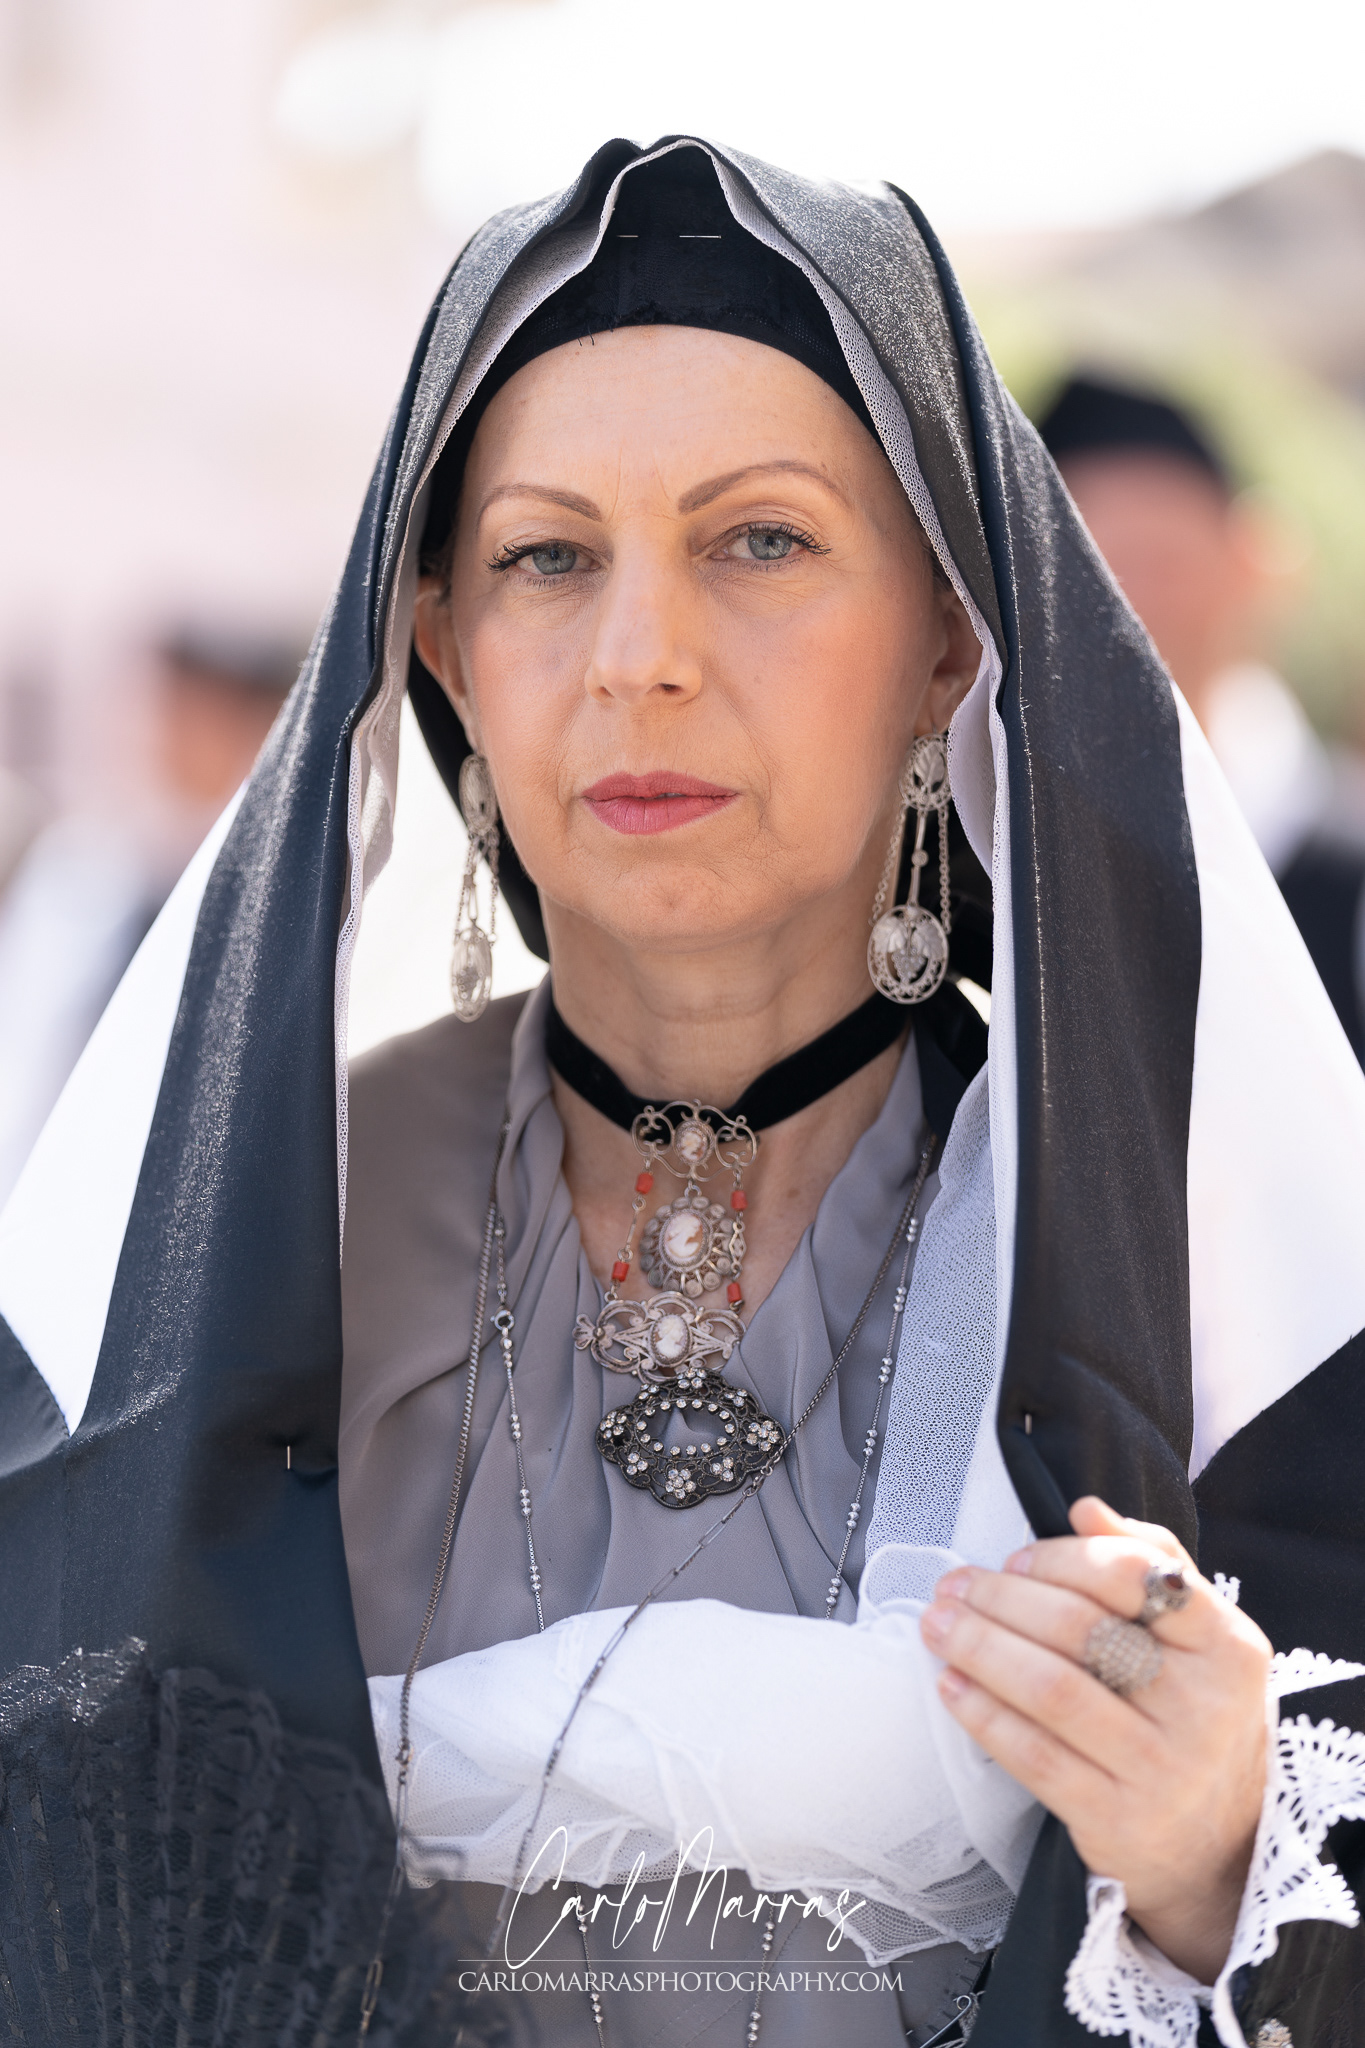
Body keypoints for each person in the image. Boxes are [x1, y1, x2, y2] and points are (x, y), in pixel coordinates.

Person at [2, 140, 1364, 2048]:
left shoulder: (1211, 1275)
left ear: (949, 640)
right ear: (443, 649)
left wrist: (1224, 1870)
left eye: (760, 541)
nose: (640, 659)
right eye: (547, 557)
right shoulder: (230, 1255)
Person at [1037, 374, 1365, 1063]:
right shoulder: (988, 867)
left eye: (1161, 564)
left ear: (1255, 564)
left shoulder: (1341, 858)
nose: (1129, 609)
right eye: (1093, 571)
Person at [0, 622, 299, 1207]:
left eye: (197, 714)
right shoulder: (82, 875)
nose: (161, 734)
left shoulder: (277, 883)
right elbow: (27, 1073)